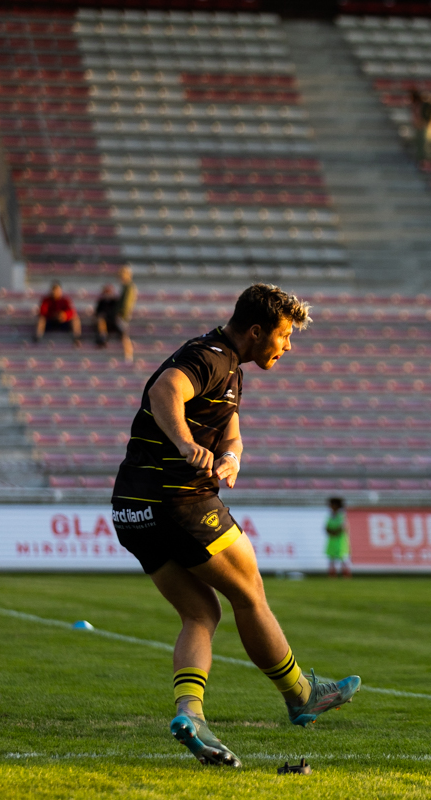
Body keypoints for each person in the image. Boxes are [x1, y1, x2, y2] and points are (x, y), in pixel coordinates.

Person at [109, 284, 360, 768]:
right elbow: (165, 389)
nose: (288, 346)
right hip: (180, 502)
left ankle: (190, 714)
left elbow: (232, 431)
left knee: (201, 614)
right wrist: (185, 445)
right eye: (285, 336)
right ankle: (301, 694)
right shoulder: (211, 357)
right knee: (250, 592)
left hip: (131, 510)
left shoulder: (229, 369)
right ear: (256, 331)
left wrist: (231, 457)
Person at [96, 265, 137, 362]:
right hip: (120, 315)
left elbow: (126, 304)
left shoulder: (129, 287)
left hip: (121, 316)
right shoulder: (126, 287)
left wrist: (121, 314)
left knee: (123, 334)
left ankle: (128, 356)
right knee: (122, 334)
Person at [34, 281, 82, 347]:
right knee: (41, 319)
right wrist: (53, 315)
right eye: (54, 290)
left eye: (57, 290)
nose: (55, 292)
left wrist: (64, 315)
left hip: (63, 322)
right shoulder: (46, 300)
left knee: (75, 318)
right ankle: (38, 337)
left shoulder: (65, 300)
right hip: (50, 321)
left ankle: (76, 337)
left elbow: (72, 311)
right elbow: (42, 312)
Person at [410, 89, 431, 163]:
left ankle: (427, 159)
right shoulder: (423, 105)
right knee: (421, 143)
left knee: (427, 144)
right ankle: (422, 158)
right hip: (422, 126)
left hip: (428, 127)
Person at [325, 497, 351, 578]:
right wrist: (332, 532)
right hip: (332, 539)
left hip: (340, 540)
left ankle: (345, 574)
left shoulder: (341, 515)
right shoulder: (330, 516)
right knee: (331, 557)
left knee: (342, 556)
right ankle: (332, 574)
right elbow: (326, 527)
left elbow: (343, 527)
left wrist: (334, 532)